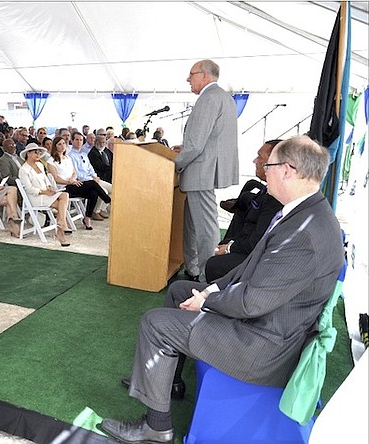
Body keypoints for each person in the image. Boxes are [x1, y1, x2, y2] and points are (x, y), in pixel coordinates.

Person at [99, 136, 344, 443]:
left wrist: (206, 303)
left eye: (268, 165)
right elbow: (249, 267)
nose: (263, 170)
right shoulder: (304, 213)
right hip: (269, 325)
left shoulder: (305, 233)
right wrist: (209, 291)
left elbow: (252, 302)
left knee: (155, 324)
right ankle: (168, 381)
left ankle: (156, 426)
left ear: (288, 170)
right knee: (180, 292)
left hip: (264, 346)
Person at [171, 59, 239, 282]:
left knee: (206, 227)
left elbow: (197, 144)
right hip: (205, 168)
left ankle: (206, 274)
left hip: (201, 171)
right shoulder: (221, 96)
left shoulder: (208, 98)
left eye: (191, 74)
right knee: (193, 224)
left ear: (205, 75)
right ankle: (193, 268)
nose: (187, 79)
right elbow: (210, 138)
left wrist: (176, 163)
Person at [205, 140, 283, 282]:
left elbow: (257, 242)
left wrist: (229, 248)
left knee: (214, 265)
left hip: (259, 257)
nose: (255, 161)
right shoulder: (266, 192)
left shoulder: (276, 200)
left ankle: (216, 299)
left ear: (273, 164)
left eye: (260, 157)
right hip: (249, 244)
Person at [48, 137, 110, 229]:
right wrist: (69, 182)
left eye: (64, 143)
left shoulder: (67, 157)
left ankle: (87, 218)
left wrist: (73, 180)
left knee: (93, 193)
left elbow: (74, 172)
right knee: (92, 183)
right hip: (63, 188)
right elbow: (55, 178)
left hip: (73, 184)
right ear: (55, 146)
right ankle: (108, 200)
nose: (62, 146)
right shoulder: (51, 161)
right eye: (59, 144)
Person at [18, 144, 70, 247]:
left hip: (47, 195)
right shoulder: (23, 170)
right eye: (35, 152)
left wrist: (50, 187)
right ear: (28, 154)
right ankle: (61, 229)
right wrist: (44, 192)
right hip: (35, 198)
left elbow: (46, 180)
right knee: (60, 204)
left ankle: (61, 223)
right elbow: (29, 189)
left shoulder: (40, 165)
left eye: (39, 152)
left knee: (64, 195)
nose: (38, 154)